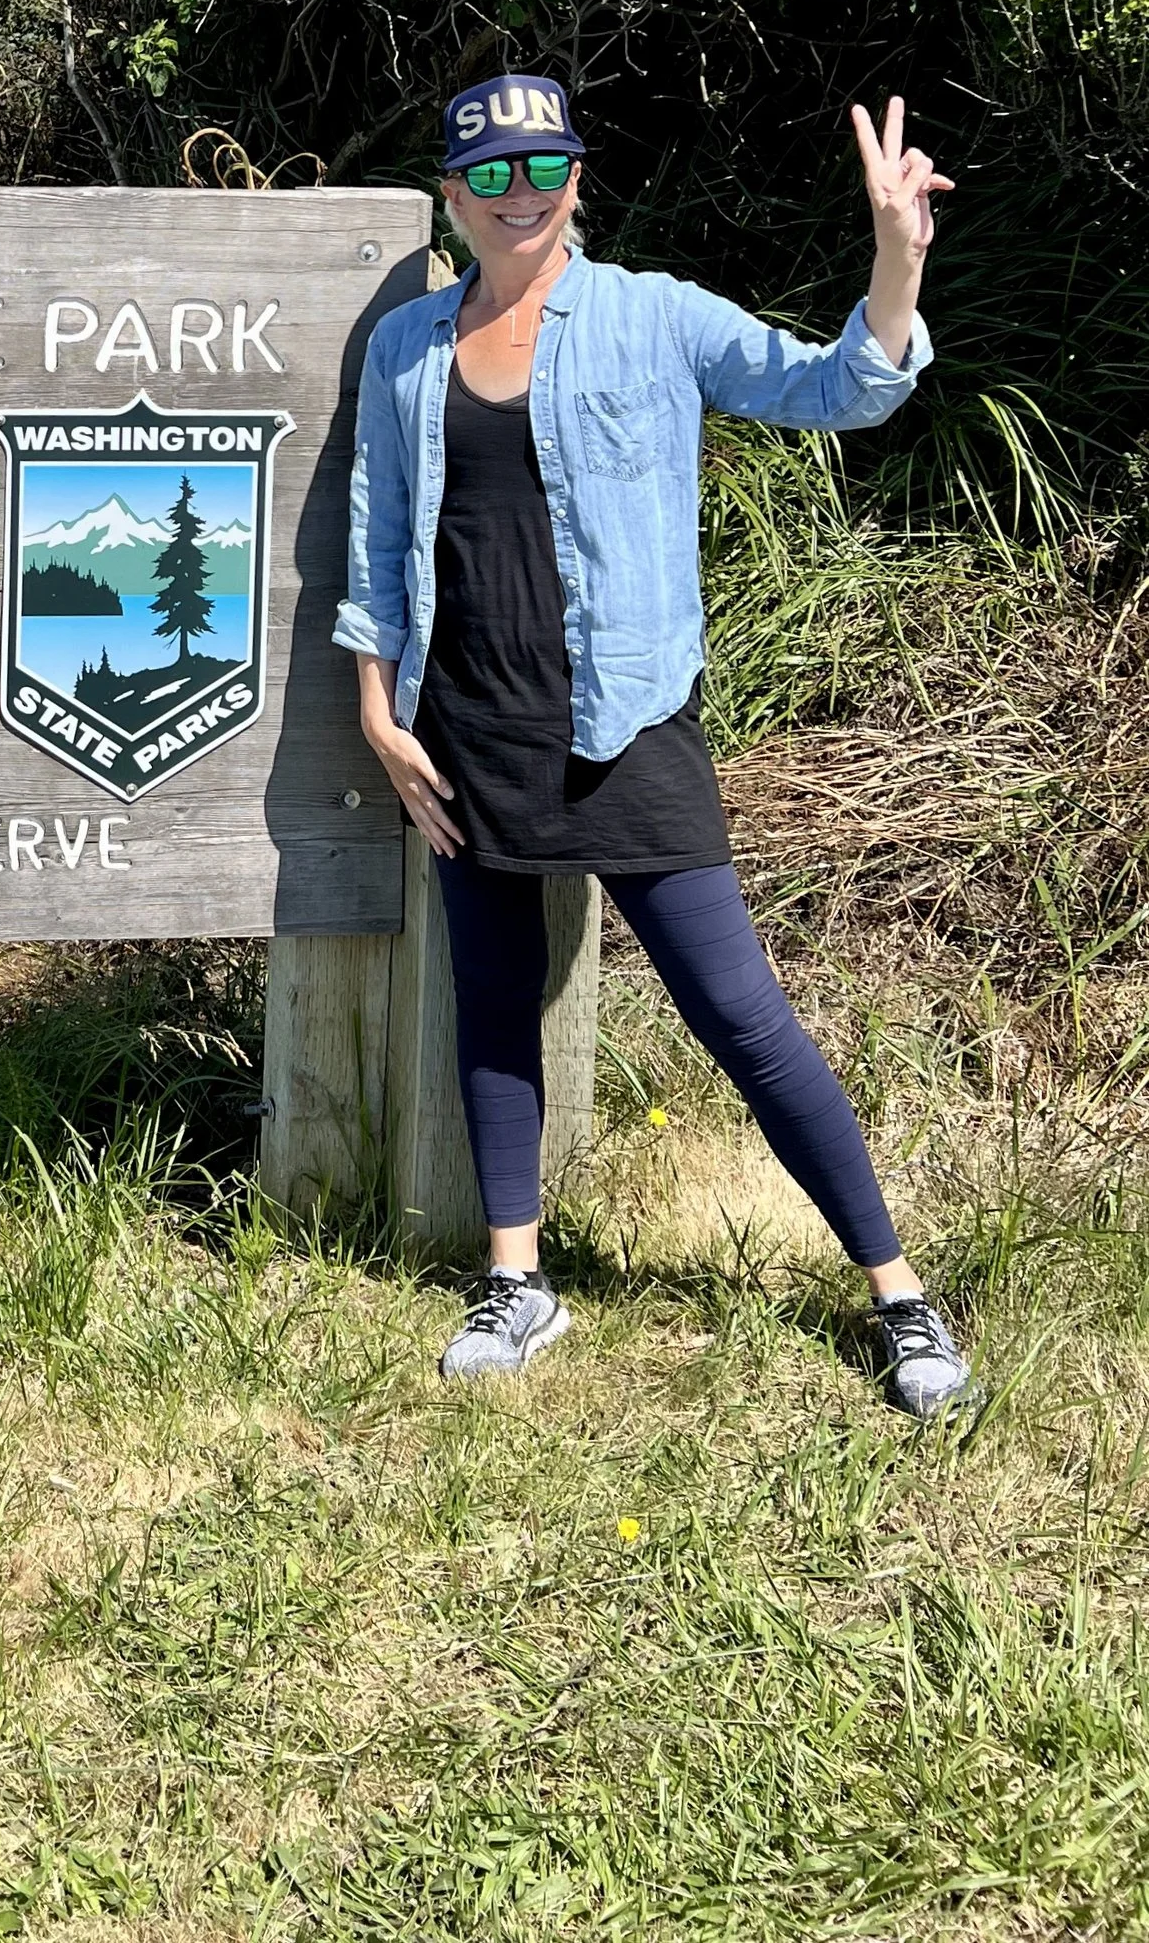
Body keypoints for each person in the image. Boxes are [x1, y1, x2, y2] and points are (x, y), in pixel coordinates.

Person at [334, 70, 981, 1419]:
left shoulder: (650, 316)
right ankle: (518, 1281)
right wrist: (378, 708)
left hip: (625, 722)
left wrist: (894, 259)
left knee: (739, 1014)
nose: (521, 196)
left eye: (545, 169)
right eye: (491, 175)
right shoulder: (403, 346)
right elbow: (378, 532)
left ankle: (899, 1295)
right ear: (451, 197)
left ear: (580, 180)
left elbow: (837, 391)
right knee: (494, 1000)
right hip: (471, 727)